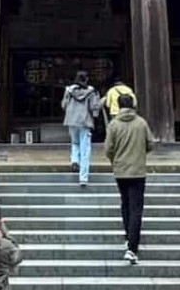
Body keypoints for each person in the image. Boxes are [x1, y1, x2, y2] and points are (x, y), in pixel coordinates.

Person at [104, 93, 154, 264]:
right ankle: (132, 247)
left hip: (120, 170)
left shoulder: (114, 124)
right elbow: (151, 144)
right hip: (138, 171)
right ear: (132, 104)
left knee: (125, 204)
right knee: (136, 208)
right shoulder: (141, 123)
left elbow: (108, 148)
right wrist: (140, 154)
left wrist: (115, 160)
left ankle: (128, 236)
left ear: (118, 106)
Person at [61, 70, 102, 186]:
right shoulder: (91, 91)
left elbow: (64, 105)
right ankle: (83, 177)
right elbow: (94, 107)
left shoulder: (69, 90)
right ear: (87, 79)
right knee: (85, 150)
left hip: (71, 121)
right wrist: (100, 104)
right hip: (85, 121)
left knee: (75, 142)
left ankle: (74, 160)